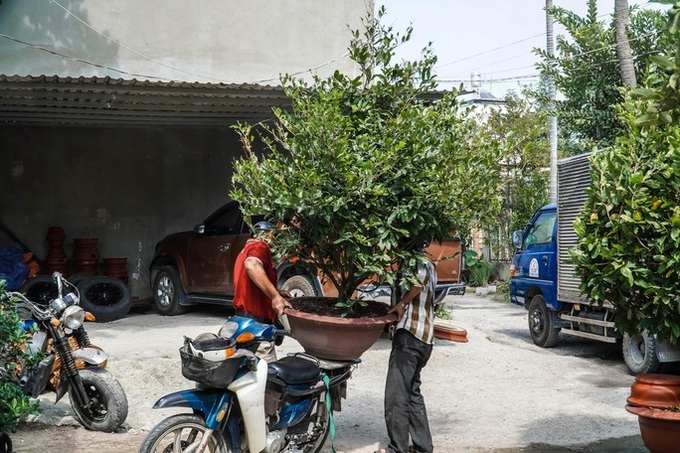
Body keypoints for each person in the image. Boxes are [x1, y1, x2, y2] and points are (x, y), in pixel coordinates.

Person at [377, 258, 438, 453]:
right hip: (425, 339)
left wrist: (402, 303)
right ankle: (423, 447)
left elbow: (418, 283)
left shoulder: (417, 261)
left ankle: (397, 449)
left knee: (396, 397)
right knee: (412, 393)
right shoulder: (430, 263)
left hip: (410, 336)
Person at [232, 220, 291, 361]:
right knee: (268, 377)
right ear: (268, 235)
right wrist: (275, 297)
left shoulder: (245, 249)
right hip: (256, 328)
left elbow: (251, 283)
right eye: (276, 236)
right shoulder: (259, 246)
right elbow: (252, 265)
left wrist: (275, 292)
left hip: (243, 322)